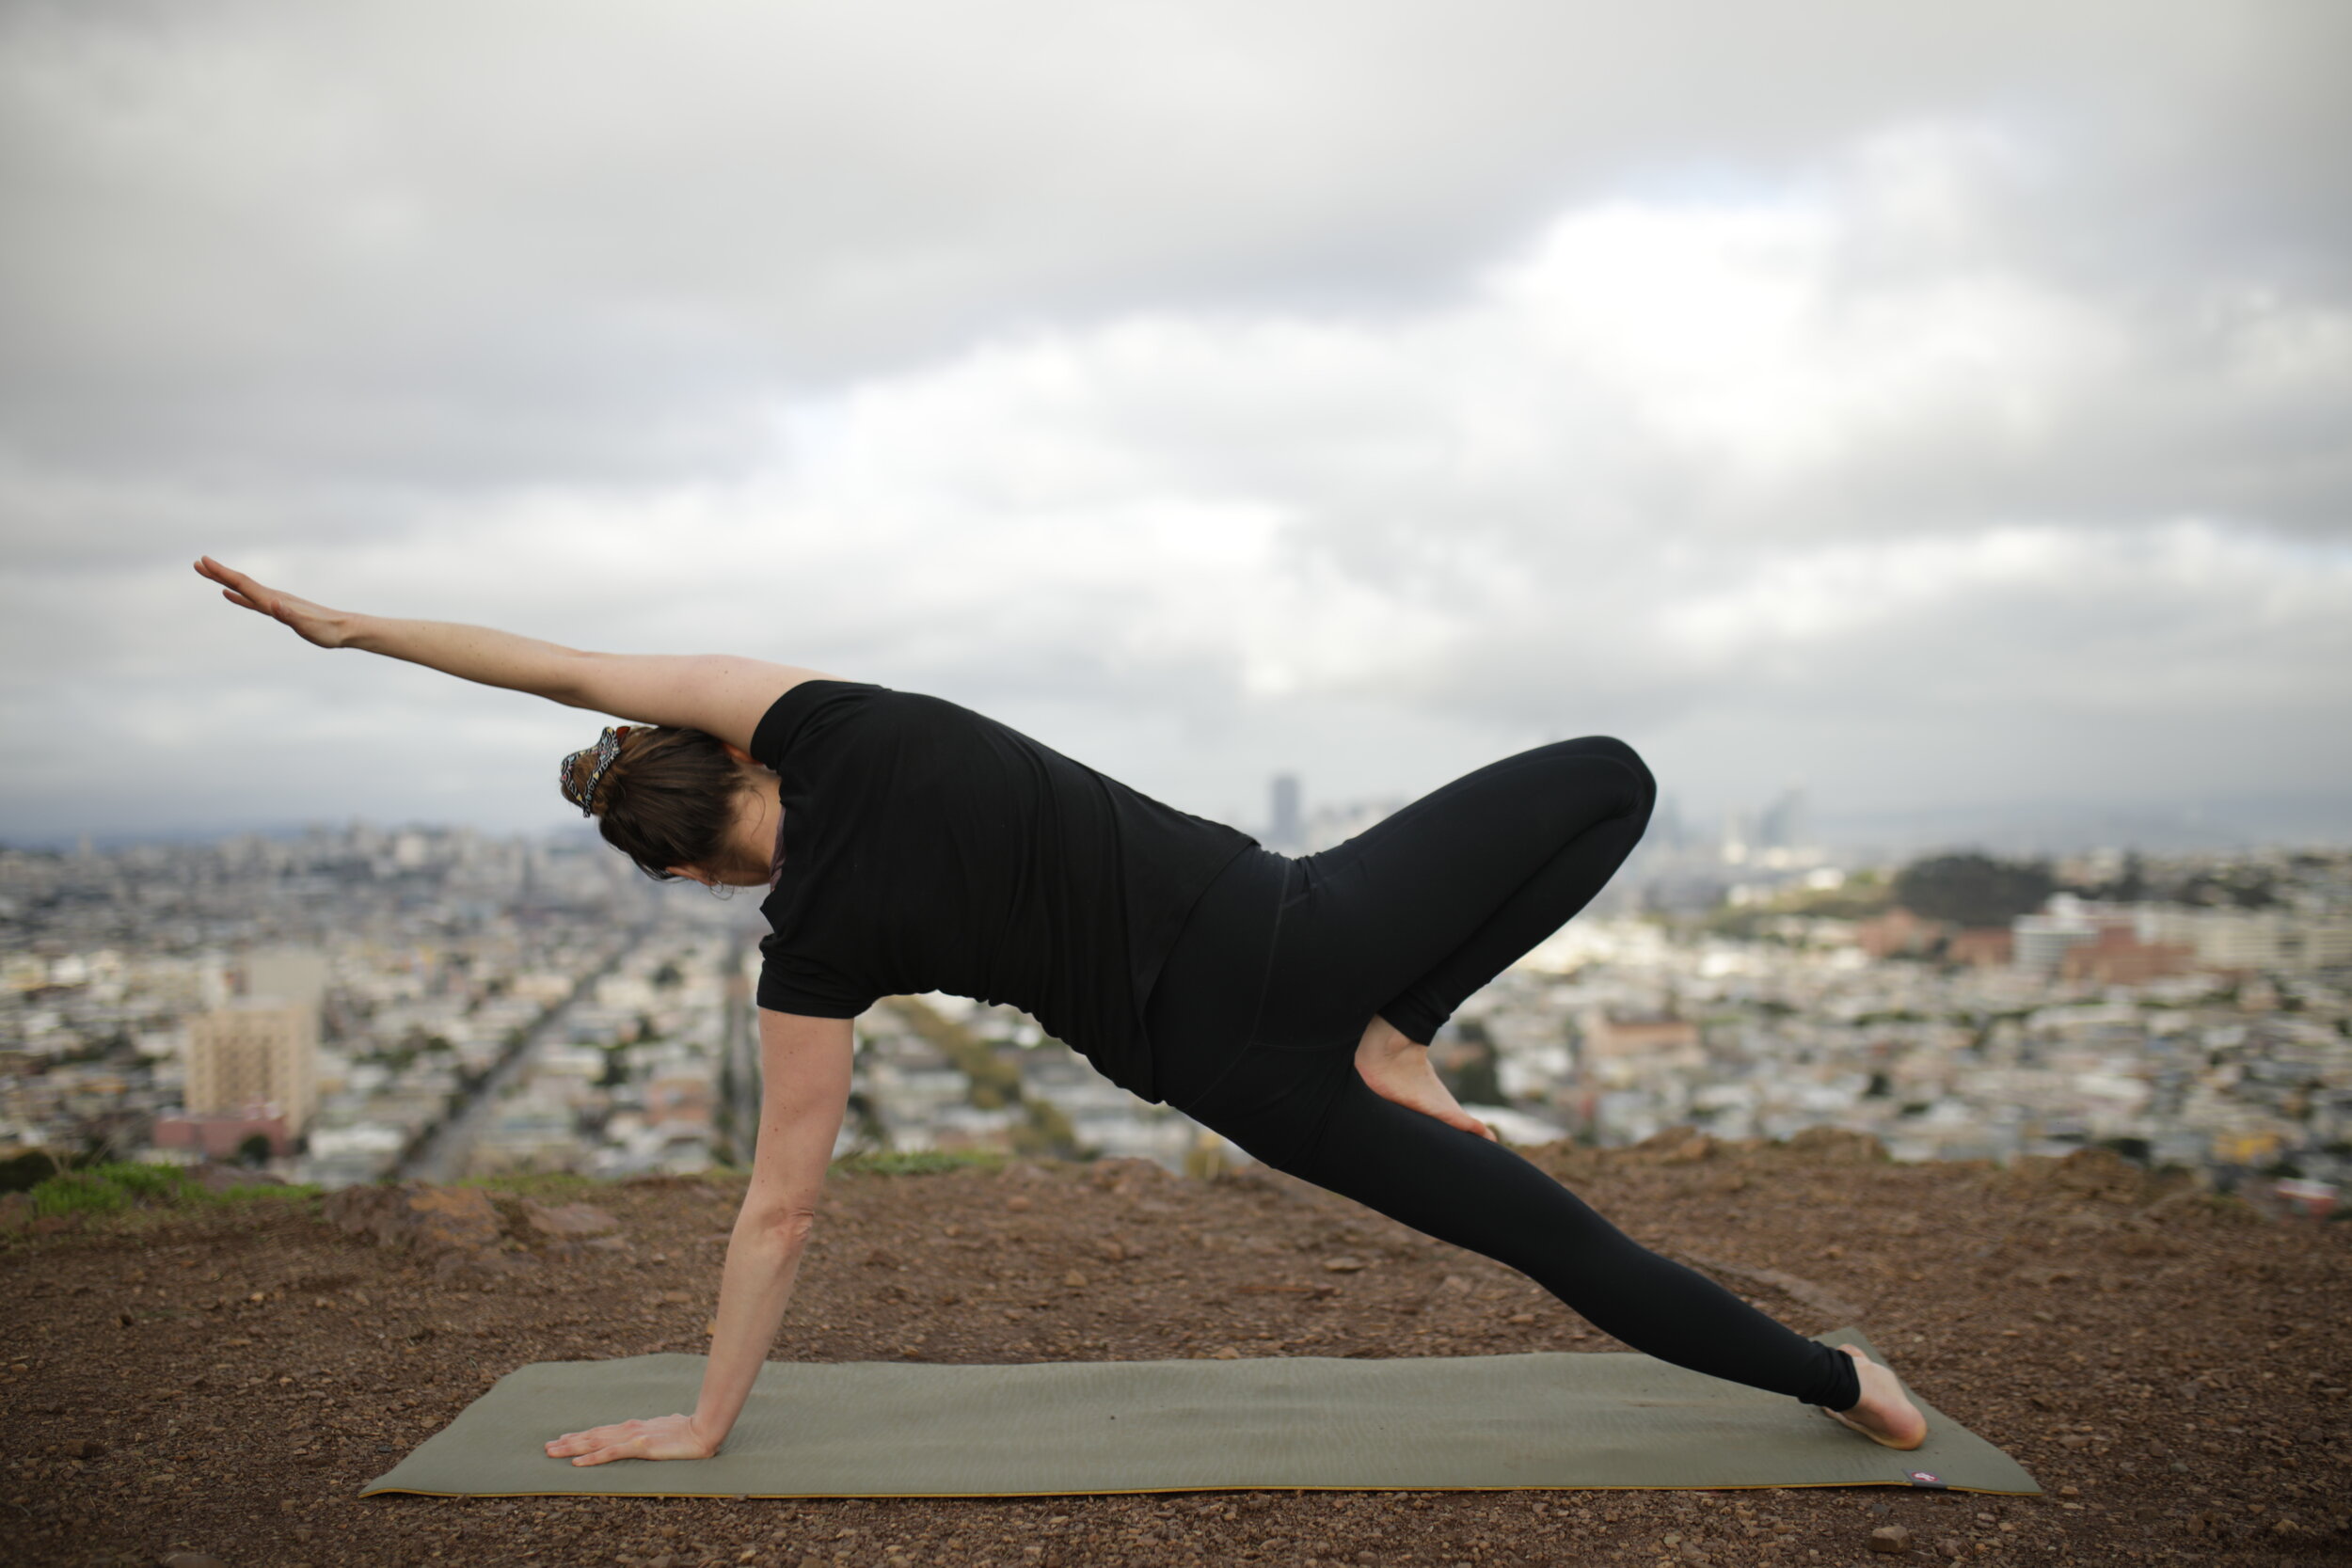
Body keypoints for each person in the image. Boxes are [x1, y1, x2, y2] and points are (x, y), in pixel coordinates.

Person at [195, 556, 1928, 1464]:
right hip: (1304, 923)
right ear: (730, 753)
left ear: (700, 871)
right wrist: (348, 627)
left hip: (1228, 1072)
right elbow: (566, 668)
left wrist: (708, 1419)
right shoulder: (830, 720)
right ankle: (1406, 1015)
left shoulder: (807, 953)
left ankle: (1844, 1387)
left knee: (1550, 1242)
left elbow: (781, 1206)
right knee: (1611, 774)